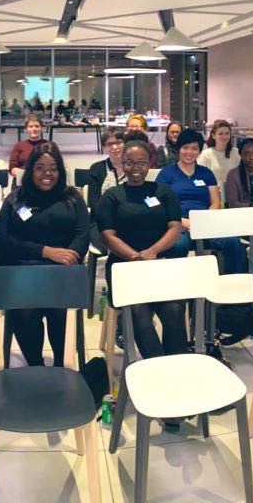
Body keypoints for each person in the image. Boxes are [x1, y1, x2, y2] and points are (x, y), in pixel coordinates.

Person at [0, 143, 89, 366]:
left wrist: (70, 256)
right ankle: (36, 366)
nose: (47, 174)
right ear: (30, 170)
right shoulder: (16, 199)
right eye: (40, 168)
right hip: (24, 272)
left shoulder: (72, 197)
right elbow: (4, 238)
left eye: (53, 168)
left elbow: (83, 234)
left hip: (62, 272)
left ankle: (60, 366)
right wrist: (45, 251)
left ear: (60, 170)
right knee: (26, 313)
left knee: (59, 312)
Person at [96, 140, 186, 359]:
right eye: (129, 162)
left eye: (141, 163)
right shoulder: (112, 196)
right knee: (138, 310)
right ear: (122, 163)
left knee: (174, 310)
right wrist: (135, 258)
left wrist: (152, 252)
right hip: (124, 268)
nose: (135, 168)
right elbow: (107, 235)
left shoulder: (163, 191)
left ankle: (176, 365)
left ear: (149, 163)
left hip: (158, 265)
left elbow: (175, 228)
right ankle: (155, 365)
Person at [160, 129, 244, 273]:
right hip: (178, 224)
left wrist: (204, 219)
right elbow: (161, 205)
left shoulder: (206, 173)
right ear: (179, 149)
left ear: (199, 151)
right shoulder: (166, 173)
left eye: (194, 148)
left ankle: (231, 282)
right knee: (179, 245)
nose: (189, 152)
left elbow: (215, 202)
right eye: (185, 148)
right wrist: (181, 221)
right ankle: (180, 284)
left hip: (205, 222)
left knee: (233, 242)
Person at [198, 119, 240, 201]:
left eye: (227, 133)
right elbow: (201, 177)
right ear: (213, 135)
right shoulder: (206, 154)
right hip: (213, 196)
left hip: (233, 195)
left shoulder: (236, 152)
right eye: (220, 134)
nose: (224, 137)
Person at [87, 128, 126, 212]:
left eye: (118, 142)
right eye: (110, 144)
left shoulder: (133, 167)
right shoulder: (97, 168)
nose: (115, 147)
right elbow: (93, 202)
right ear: (104, 148)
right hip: (104, 215)